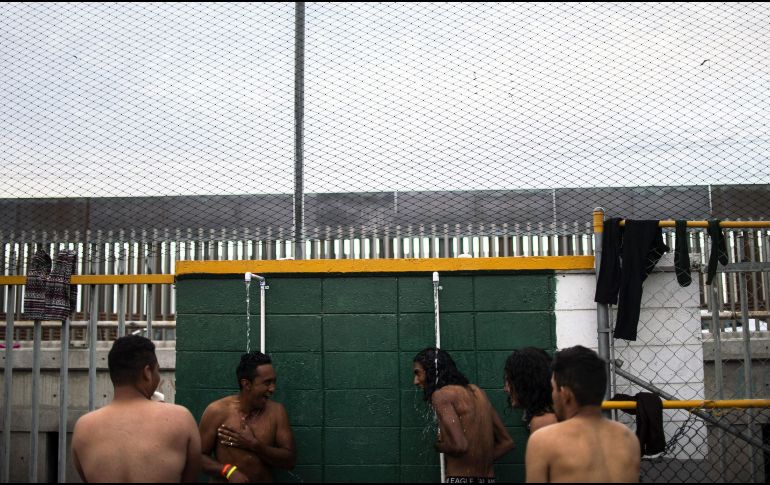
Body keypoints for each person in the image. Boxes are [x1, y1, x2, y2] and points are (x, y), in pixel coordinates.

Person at [71, 335, 201, 482]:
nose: (158, 376)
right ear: (147, 372)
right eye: (158, 370)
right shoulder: (181, 419)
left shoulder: (83, 427)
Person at [525, 346, 640, 483]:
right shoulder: (628, 438)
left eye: (553, 389)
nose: (552, 395)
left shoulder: (543, 440)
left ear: (566, 394)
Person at [413, 347, 514, 483]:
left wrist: (439, 445)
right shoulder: (478, 393)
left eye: (418, 373)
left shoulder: (440, 396)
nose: (416, 381)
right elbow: (507, 443)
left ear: (431, 371)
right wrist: (477, 460)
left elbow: (459, 446)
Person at [199, 352, 296, 483]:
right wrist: (228, 471)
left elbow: (289, 461)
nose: (273, 388)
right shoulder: (217, 411)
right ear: (246, 384)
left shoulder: (277, 412)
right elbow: (198, 457)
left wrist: (254, 445)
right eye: (267, 383)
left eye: (274, 382)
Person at [503, 347, 557, 433]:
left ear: (526, 383)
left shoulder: (542, 421)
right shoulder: (550, 412)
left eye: (509, 381)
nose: (505, 389)